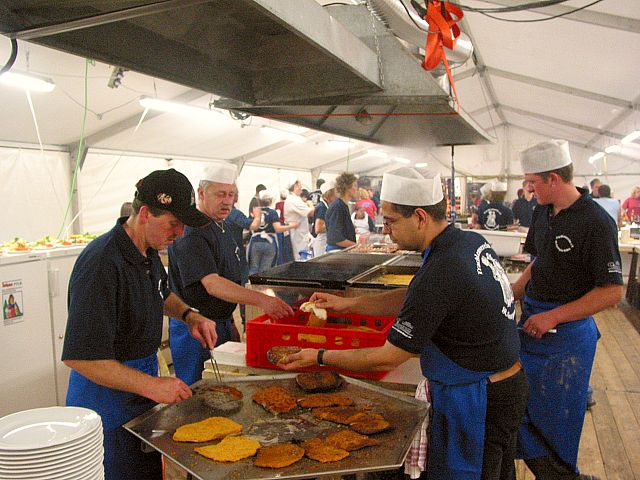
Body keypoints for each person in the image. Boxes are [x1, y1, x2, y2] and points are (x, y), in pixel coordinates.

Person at [281, 167, 529, 480]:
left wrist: (318, 357)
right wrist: (349, 304)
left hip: (482, 397)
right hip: (504, 383)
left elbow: (388, 355)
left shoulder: (442, 268)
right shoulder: (465, 242)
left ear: (421, 217)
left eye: (392, 221)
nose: (386, 230)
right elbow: (416, 297)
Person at [62, 168, 218, 480]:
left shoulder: (146, 251)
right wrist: (152, 385)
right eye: (174, 224)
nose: (180, 234)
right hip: (103, 404)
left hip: (139, 394)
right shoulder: (101, 264)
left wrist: (189, 315)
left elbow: (160, 294)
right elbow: (80, 357)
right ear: (145, 213)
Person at [512, 139, 623, 480]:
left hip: (567, 338)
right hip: (532, 323)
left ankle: (563, 475)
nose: (529, 190)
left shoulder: (596, 222)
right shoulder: (542, 211)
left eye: (533, 183)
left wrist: (553, 316)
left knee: (557, 418)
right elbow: (540, 259)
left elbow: (612, 292)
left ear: (554, 180)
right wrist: (514, 290)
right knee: (517, 406)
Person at [168, 164, 293, 385]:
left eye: (231, 194)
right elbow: (213, 284)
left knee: (224, 386)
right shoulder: (192, 232)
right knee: (197, 390)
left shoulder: (220, 225)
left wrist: (231, 324)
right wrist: (263, 300)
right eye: (220, 194)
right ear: (201, 193)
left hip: (220, 323)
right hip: (195, 328)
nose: (228, 201)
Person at [227, 190, 262, 327]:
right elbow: (253, 225)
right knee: (242, 287)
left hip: (227, 255)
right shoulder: (234, 213)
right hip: (237, 257)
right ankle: (245, 320)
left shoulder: (222, 215)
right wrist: (258, 216)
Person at [247, 190, 299, 275]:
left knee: (253, 268)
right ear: (270, 200)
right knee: (266, 269)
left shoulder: (255, 211)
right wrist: (292, 226)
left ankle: (252, 287)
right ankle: (263, 287)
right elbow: (278, 228)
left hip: (255, 241)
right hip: (269, 242)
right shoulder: (272, 212)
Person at [325, 172, 358, 251]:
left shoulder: (343, 205)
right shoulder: (338, 207)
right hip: (337, 252)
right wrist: (357, 246)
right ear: (347, 187)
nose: (356, 189)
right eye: (355, 185)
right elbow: (336, 238)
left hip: (342, 250)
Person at [283, 179, 315, 260]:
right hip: (298, 236)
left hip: (300, 234)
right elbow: (311, 212)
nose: (301, 188)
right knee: (301, 260)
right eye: (300, 186)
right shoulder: (294, 200)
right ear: (296, 186)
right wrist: (310, 203)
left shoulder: (294, 199)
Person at [311, 180, 336, 257]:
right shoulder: (322, 207)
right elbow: (318, 229)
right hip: (321, 242)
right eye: (335, 194)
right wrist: (334, 226)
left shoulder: (327, 206)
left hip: (325, 240)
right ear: (329, 195)